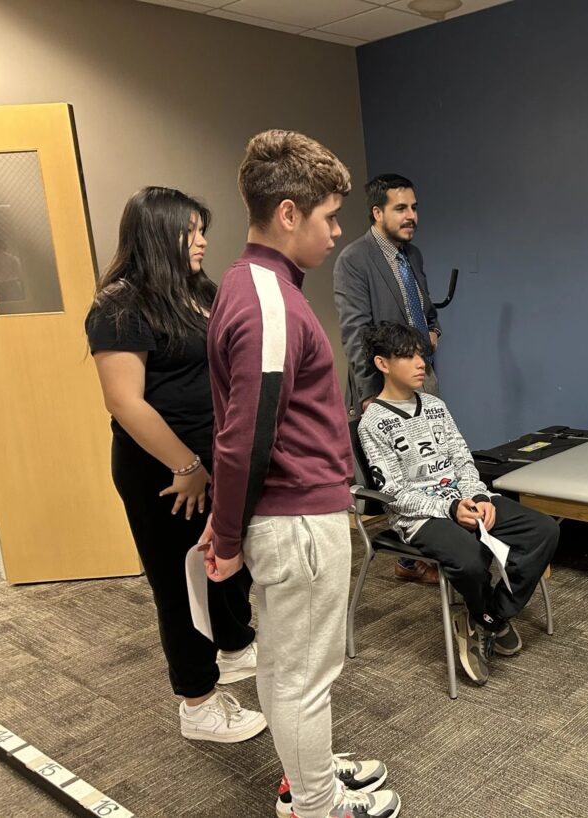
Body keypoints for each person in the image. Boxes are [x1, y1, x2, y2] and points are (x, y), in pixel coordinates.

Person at [197, 132, 399, 818]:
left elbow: (239, 428)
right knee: (302, 677)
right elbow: (242, 438)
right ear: (288, 214)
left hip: (289, 516)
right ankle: (316, 804)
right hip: (299, 520)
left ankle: (309, 772)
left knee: (290, 670)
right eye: (328, 218)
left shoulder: (248, 284)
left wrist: (228, 527)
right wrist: (225, 538)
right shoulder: (268, 303)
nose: (336, 232)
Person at [85, 186, 265, 743]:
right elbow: (124, 401)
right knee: (179, 579)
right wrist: (186, 466)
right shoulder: (119, 305)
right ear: (158, 235)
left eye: (202, 229)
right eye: (191, 231)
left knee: (226, 558)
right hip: (163, 472)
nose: (203, 240)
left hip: (212, 460)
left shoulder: (197, 291)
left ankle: (233, 646)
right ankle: (198, 703)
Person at [357, 321, 560, 686]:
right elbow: (395, 492)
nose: (421, 363)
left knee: (544, 530)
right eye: (408, 356)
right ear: (382, 363)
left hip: (464, 497)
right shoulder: (373, 423)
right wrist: (449, 510)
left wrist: (478, 496)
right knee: (471, 557)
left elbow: (463, 459)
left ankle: (487, 618)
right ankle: (486, 617)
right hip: (418, 515)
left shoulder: (436, 406)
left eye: (422, 354)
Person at [334, 173, 442, 585]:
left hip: (424, 373)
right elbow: (355, 333)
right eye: (401, 208)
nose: (411, 215)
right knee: (400, 472)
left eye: (413, 207)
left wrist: (434, 336)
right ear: (378, 212)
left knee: (431, 463)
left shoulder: (412, 255)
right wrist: (368, 395)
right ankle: (413, 557)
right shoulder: (354, 260)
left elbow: (426, 309)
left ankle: (426, 550)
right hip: (383, 385)